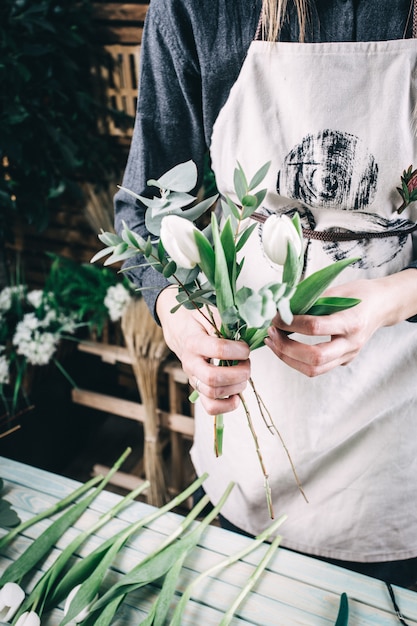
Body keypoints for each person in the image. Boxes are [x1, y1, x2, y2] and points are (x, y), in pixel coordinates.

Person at [114, 0, 417, 588]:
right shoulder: (194, 9)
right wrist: (179, 319)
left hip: (400, 453)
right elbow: (145, 213)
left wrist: (392, 298)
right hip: (252, 440)